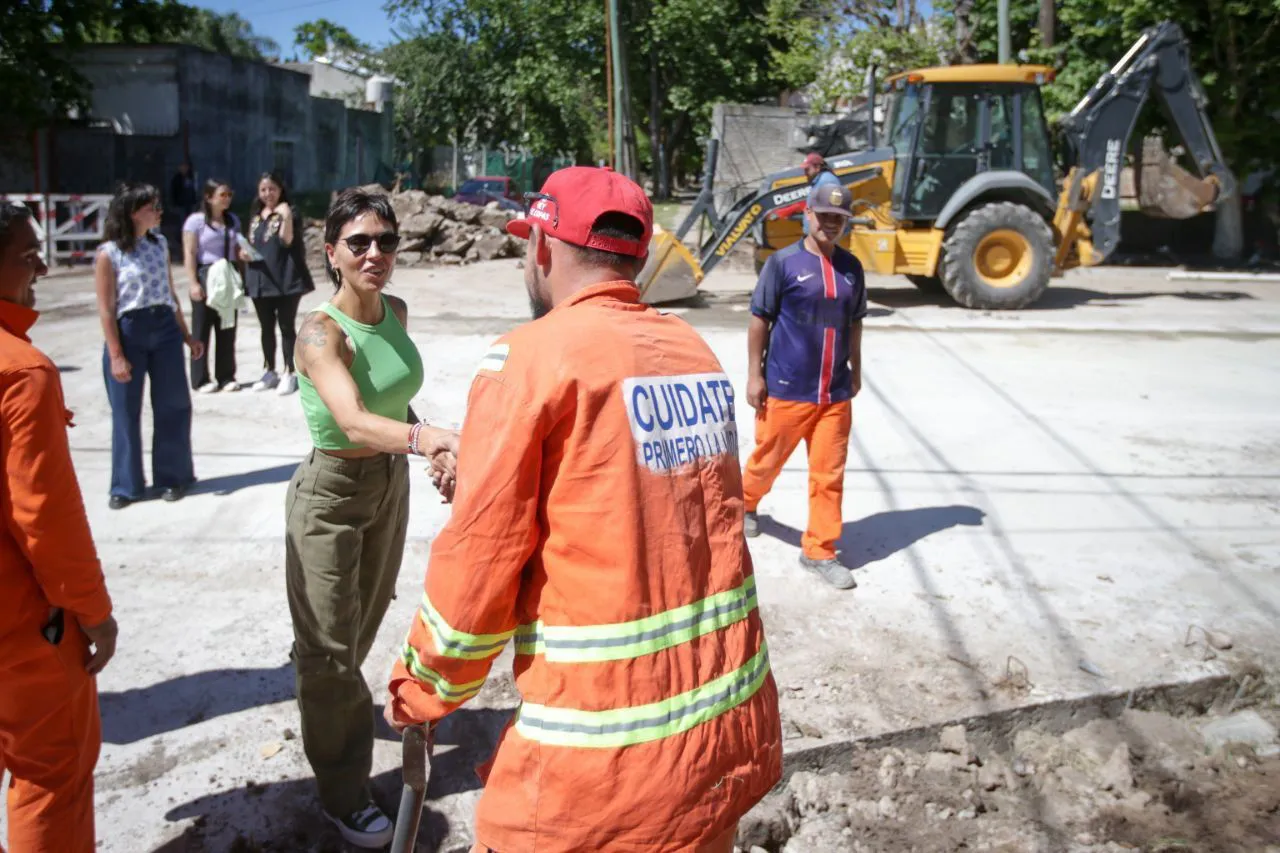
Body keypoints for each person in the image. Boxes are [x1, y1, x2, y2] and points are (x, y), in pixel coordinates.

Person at [386, 167, 782, 853]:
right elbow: (656, 506)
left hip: (598, 770)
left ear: (543, 248)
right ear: (638, 256)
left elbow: (480, 559)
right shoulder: (693, 353)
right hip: (721, 741)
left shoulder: (529, 358)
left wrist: (422, 686)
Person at [286, 187, 457, 849]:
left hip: (386, 486)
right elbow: (352, 417)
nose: (375, 253)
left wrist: (424, 447)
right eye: (358, 242)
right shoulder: (319, 332)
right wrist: (433, 439)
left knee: (354, 631)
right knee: (331, 659)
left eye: (386, 241)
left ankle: (321, 693)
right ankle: (342, 791)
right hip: (330, 496)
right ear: (331, 252)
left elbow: (390, 401)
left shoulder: (397, 311)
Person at [0, 202, 119, 851]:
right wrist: (94, 613)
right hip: (22, 630)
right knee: (51, 778)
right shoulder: (21, 372)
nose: (42, 264)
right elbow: (45, 520)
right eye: (26, 252)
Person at [743, 182, 867, 590]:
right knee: (766, 460)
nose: (830, 223)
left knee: (829, 474)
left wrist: (857, 370)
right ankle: (743, 505)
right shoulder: (782, 264)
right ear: (807, 215)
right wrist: (754, 375)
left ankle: (819, 550)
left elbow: (854, 324)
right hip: (785, 387)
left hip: (834, 394)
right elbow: (760, 319)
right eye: (824, 215)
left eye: (839, 218)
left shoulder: (852, 268)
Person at [95, 183, 204, 510]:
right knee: (126, 411)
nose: (158, 212)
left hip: (165, 329)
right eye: (151, 207)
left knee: (173, 404)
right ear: (132, 213)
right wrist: (116, 354)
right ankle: (126, 485)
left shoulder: (159, 245)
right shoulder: (109, 253)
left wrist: (186, 335)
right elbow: (106, 309)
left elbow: (169, 294)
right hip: (129, 331)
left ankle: (173, 477)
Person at [246, 171, 313, 395]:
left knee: (286, 326)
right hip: (260, 279)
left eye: (272, 189)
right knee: (266, 327)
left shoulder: (289, 212)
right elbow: (252, 242)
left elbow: (287, 240)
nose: (268, 194)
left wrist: (284, 216)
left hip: (285, 279)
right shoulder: (256, 215)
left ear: (280, 189)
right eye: (263, 189)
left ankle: (290, 372)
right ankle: (269, 370)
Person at [183, 178, 240, 393]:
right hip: (206, 273)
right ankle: (200, 378)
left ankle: (226, 375)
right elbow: (189, 252)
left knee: (227, 326)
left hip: (228, 274)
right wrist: (193, 283)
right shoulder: (196, 222)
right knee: (202, 326)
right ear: (209, 197)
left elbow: (237, 248)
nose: (226, 200)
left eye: (228, 195)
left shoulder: (232, 220)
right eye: (221, 195)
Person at [769, 152, 843, 233]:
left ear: (817, 167)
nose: (805, 173)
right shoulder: (818, 181)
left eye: (807, 169)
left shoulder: (826, 181)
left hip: (822, 236)